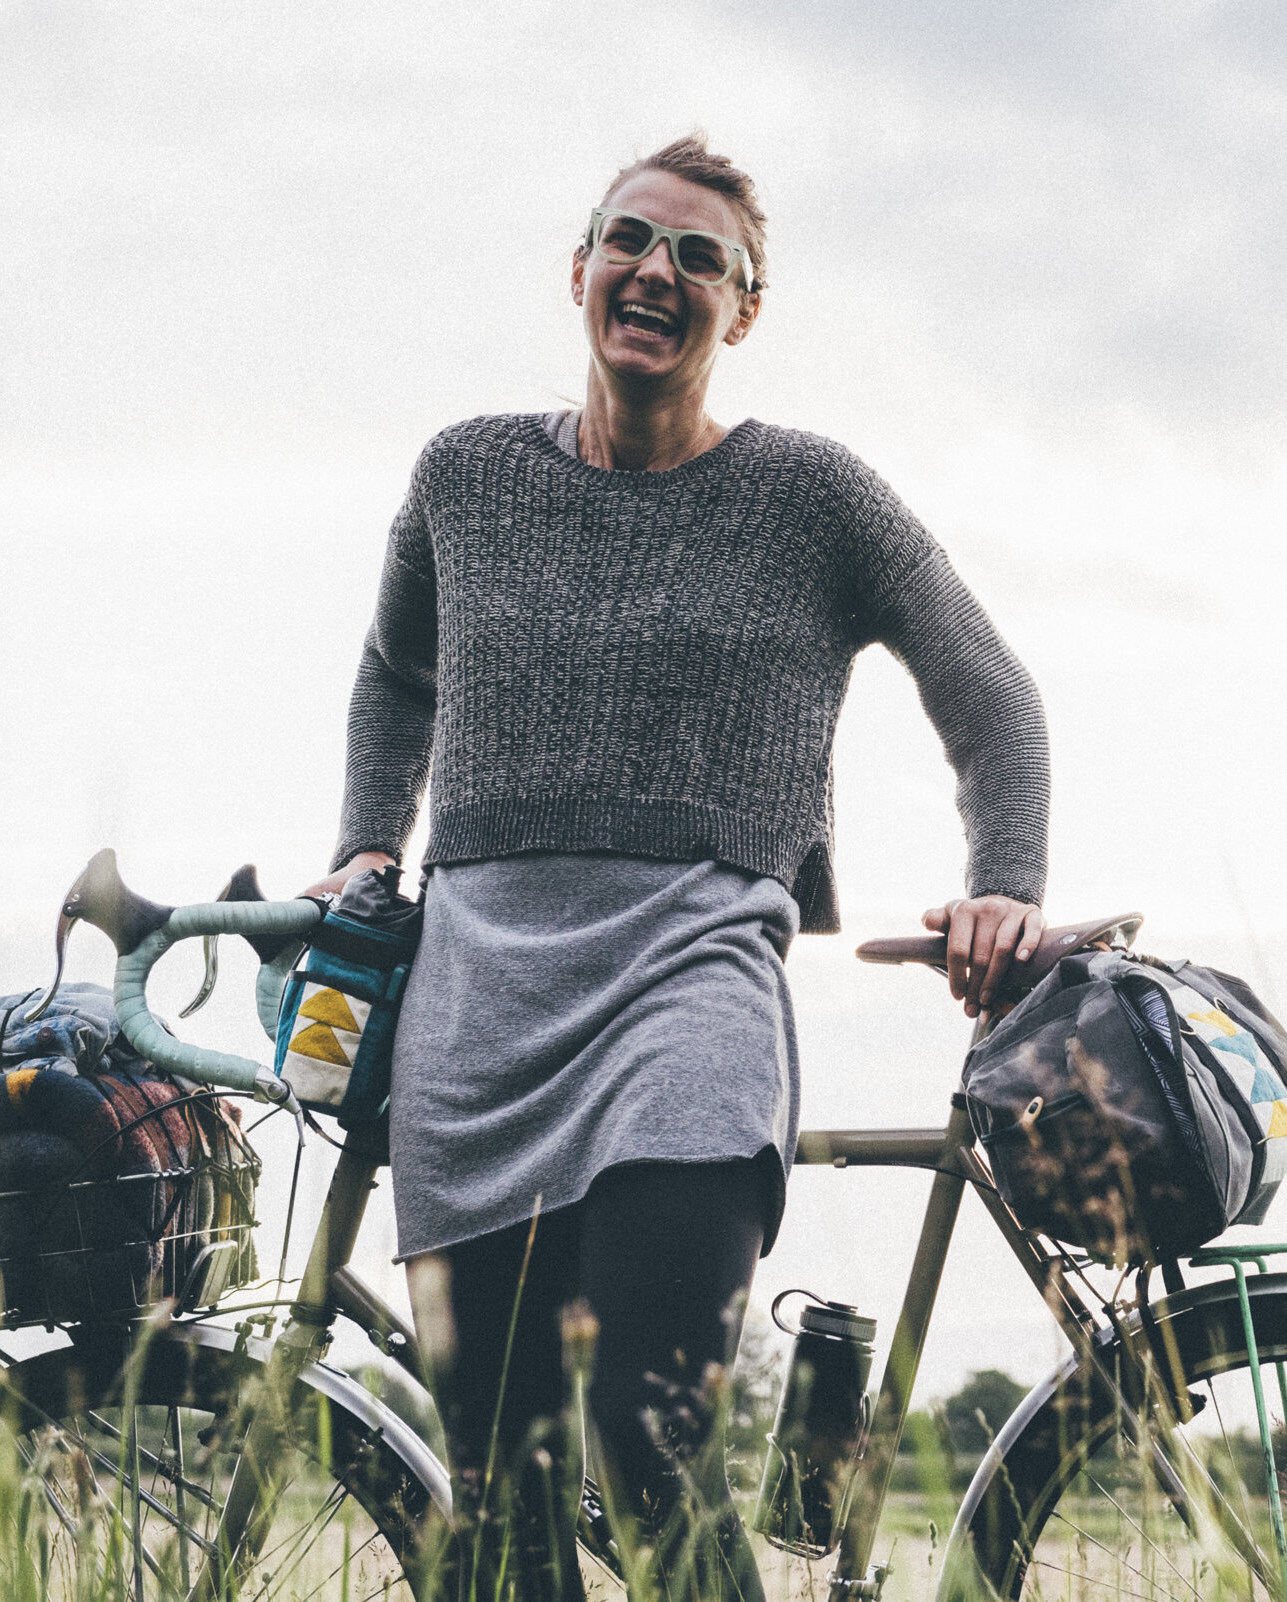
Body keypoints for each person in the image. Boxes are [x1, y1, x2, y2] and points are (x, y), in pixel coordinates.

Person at [303, 133, 1051, 1601]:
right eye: (630, 241)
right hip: (474, 1017)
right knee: (504, 1509)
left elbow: (989, 691)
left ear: (744, 309)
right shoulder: (464, 475)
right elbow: (396, 678)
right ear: (578, 268)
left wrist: (1004, 876)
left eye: (701, 258)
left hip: (689, 993)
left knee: (649, 1441)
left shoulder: (814, 496)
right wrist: (367, 843)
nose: (658, 272)